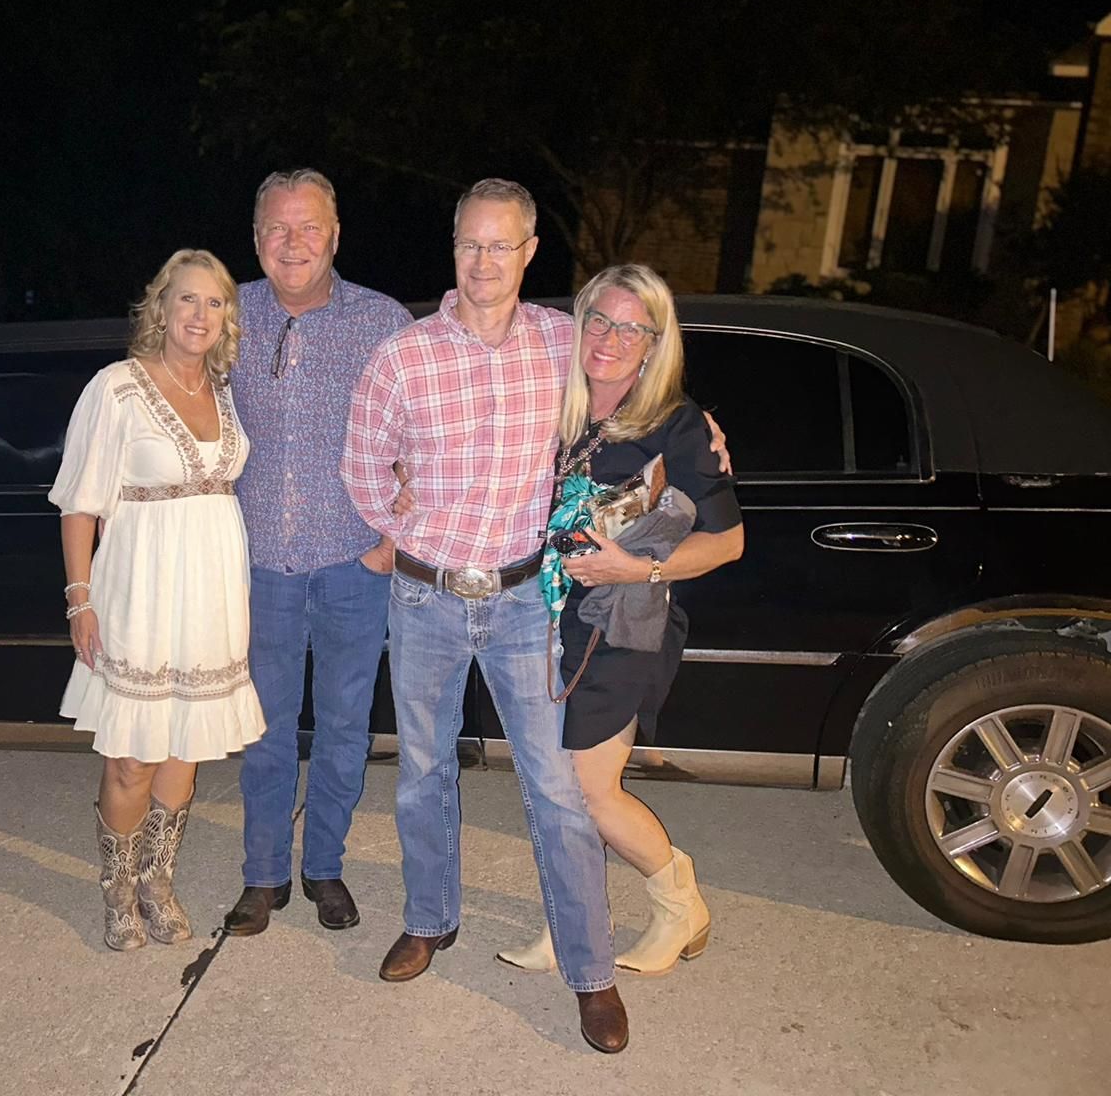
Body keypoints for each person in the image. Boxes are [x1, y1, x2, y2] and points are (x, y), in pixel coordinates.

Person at [341, 178, 630, 1054]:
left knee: (555, 788)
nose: (483, 261)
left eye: (501, 246)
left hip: (519, 602)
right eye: (470, 243)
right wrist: (407, 532)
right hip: (425, 597)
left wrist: (708, 435)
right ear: (453, 248)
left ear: (530, 251)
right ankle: (430, 919)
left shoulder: (561, 343)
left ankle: (591, 973)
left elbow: (639, 395)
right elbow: (361, 465)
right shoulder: (405, 355)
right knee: (423, 770)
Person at [494, 263, 744, 978]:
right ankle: (572, 917)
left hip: (618, 626)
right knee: (553, 787)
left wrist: (639, 569)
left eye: (631, 327)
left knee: (588, 792)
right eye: (599, 320)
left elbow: (727, 542)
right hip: (536, 621)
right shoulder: (553, 398)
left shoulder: (678, 424)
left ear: (654, 341)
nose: (610, 337)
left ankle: (680, 906)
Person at [51, 249, 266, 952]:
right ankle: (116, 890)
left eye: (214, 303)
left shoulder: (227, 391)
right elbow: (80, 504)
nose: (200, 315)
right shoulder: (116, 389)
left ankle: (157, 880)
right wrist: (80, 600)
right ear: (160, 308)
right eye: (187, 300)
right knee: (131, 758)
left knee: (185, 749)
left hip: (210, 593)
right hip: (138, 590)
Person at [224, 169, 413, 936]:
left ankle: (323, 867)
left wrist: (390, 544)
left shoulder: (382, 321)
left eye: (309, 229)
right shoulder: (226, 314)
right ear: (256, 238)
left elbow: (422, 440)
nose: (293, 243)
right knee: (263, 727)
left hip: (352, 564)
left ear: (335, 236)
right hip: (257, 563)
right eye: (277, 228)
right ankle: (262, 875)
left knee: (342, 726)